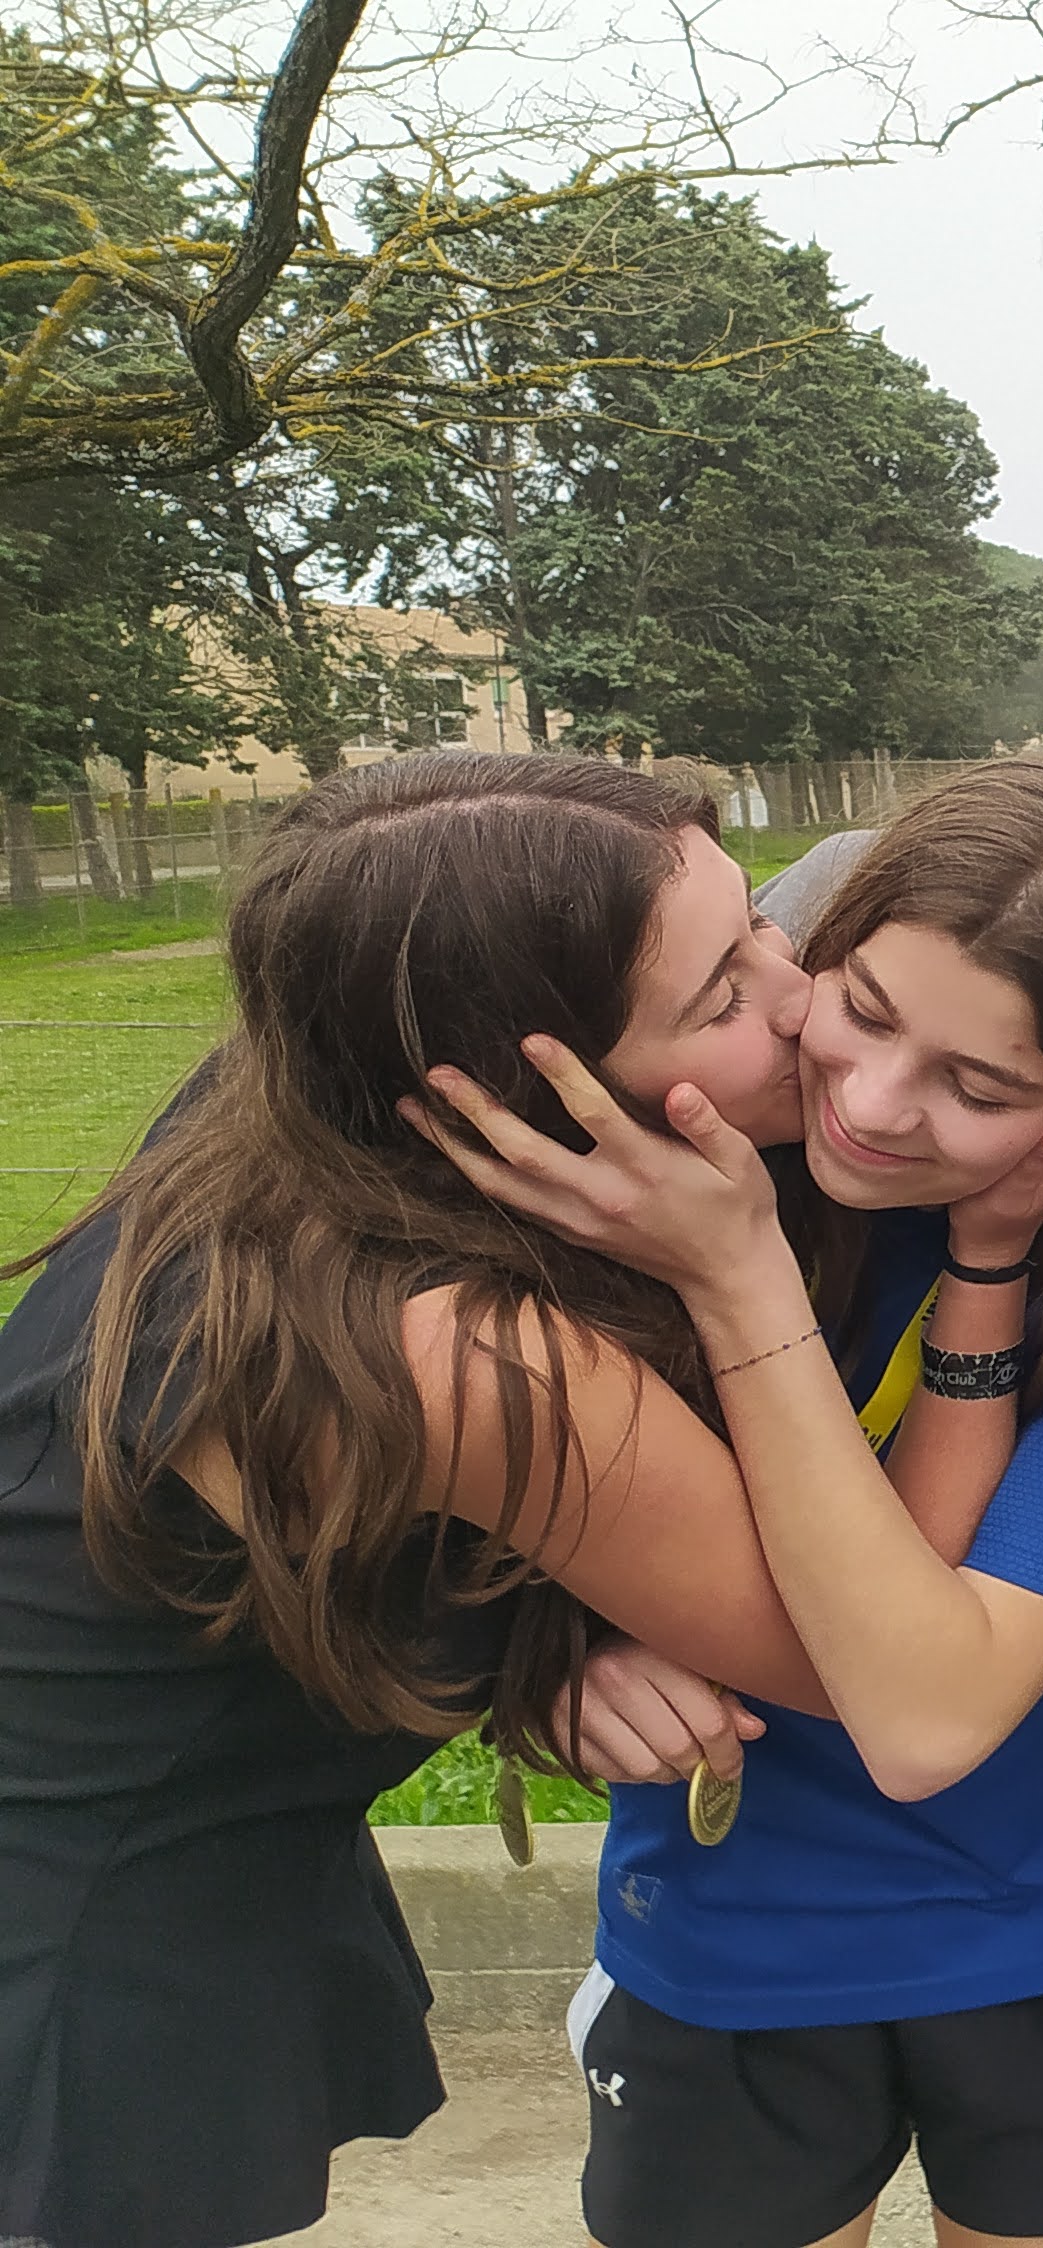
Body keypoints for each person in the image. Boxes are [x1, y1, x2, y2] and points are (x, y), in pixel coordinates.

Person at [413, 755, 1043, 2248]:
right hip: (718, 1936)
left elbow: (918, 1706)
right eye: (861, 1009)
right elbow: (448, 1484)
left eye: (980, 1088)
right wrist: (545, 1659)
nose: (870, 1108)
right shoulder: (627, 1190)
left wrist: (829, 1273)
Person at [0, 754, 845, 2248]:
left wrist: (557, 1635)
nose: (804, 998)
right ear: (515, 1099)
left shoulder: (301, 1114)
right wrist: (744, 1271)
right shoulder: (457, 1354)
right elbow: (853, 1653)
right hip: (79, 1950)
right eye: (722, 995)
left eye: (763, 924)